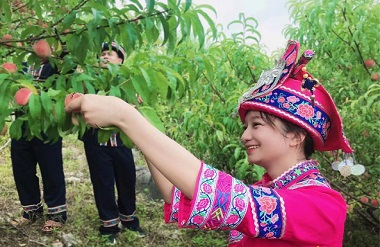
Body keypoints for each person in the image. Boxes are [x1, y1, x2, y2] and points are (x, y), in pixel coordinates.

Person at [66, 40, 351, 246]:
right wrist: (138, 124)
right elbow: (174, 194)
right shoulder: (268, 189)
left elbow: (222, 195)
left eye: (256, 125)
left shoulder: (322, 205)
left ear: (295, 135)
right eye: (245, 126)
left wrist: (125, 116)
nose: (245, 136)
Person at [79, 42, 144, 244]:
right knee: (102, 181)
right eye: (103, 54)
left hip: (121, 140)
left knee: (127, 178)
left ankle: (129, 219)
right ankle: (108, 224)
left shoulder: (128, 80)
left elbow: (140, 101)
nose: (105, 57)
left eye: (110, 54)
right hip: (96, 140)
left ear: (121, 60)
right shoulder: (91, 79)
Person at [11, 59, 67, 233]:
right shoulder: (22, 65)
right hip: (22, 124)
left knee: (51, 169)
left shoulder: (56, 63)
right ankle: (31, 210)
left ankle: (56, 213)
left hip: (47, 126)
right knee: (22, 168)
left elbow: (68, 68)